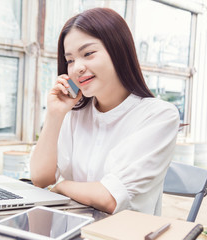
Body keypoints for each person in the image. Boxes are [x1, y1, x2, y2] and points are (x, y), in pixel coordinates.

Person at [30, 8, 180, 215]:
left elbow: (109, 198)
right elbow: (40, 178)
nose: (77, 68)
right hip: (74, 226)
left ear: (119, 51)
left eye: (88, 54)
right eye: (70, 60)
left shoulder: (159, 115)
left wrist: (61, 186)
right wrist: (55, 114)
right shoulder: (75, 113)